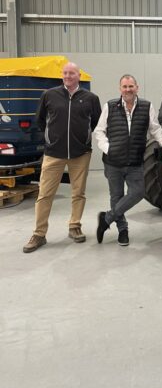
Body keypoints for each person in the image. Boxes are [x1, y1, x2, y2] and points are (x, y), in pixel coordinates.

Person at [23, 62, 102, 253]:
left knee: (78, 192)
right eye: (65, 73)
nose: (68, 76)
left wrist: (85, 140)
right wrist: (51, 139)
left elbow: (98, 123)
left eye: (72, 73)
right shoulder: (49, 95)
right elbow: (40, 120)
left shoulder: (91, 98)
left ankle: (75, 226)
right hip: (53, 154)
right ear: (62, 75)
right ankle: (39, 234)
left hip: (80, 154)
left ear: (79, 76)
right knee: (44, 195)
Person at [94, 74, 162, 246]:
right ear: (120, 88)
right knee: (117, 196)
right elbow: (99, 131)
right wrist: (108, 148)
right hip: (113, 162)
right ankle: (123, 230)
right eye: (124, 87)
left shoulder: (146, 106)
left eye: (131, 86)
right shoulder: (110, 106)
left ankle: (106, 219)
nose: (128, 90)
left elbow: (155, 128)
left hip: (135, 161)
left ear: (137, 87)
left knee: (138, 192)